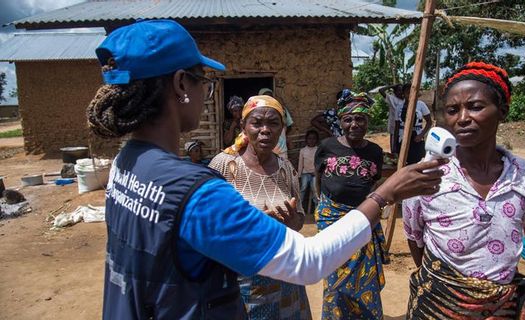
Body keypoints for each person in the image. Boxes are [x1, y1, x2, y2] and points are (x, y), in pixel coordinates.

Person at [87, 19, 446, 320]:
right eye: (203, 82)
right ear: (182, 84)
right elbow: (308, 262)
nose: (204, 93)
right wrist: (385, 194)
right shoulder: (195, 191)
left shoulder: (127, 164)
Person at [403, 62, 525, 319]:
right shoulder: (425, 173)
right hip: (441, 303)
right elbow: (416, 239)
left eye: (475, 106)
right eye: (452, 110)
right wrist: (449, 287)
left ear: (502, 111)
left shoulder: (521, 173)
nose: (462, 118)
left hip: (503, 307)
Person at [209, 95, 310, 319]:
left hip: (286, 279)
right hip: (241, 281)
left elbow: (300, 218)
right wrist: (250, 227)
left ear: (282, 129)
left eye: (273, 123)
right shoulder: (223, 166)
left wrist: (293, 223)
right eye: (257, 123)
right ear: (244, 126)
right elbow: (207, 224)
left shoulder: (286, 168)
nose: (265, 130)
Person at [314, 91, 387, 319]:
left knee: (365, 278)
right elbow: (319, 179)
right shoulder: (326, 146)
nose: (354, 124)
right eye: (348, 119)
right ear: (341, 122)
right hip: (332, 220)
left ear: (368, 121)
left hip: (363, 222)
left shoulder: (375, 152)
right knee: (335, 277)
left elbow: (374, 186)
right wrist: (323, 206)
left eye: (360, 119)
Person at [394, 83, 432, 164]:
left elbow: (429, 122)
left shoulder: (421, 104)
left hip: (417, 138)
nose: (409, 94)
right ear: (403, 94)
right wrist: (395, 144)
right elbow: (397, 126)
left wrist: (421, 135)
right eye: (407, 92)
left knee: (418, 163)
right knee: (404, 163)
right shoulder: (399, 107)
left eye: (411, 92)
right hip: (402, 138)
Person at [258, 88, 293, 159]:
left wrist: (283, 134)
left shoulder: (281, 109)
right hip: (265, 149)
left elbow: (289, 125)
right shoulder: (258, 111)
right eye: (266, 97)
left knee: (282, 168)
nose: (269, 99)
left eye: (270, 96)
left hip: (281, 149)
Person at [378, 84, 405, 154]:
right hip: (394, 126)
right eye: (399, 90)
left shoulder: (406, 100)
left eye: (402, 90)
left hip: (404, 126)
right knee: (394, 146)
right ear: (395, 92)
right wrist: (391, 86)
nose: (401, 92)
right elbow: (381, 90)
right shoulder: (391, 98)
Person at [298, 129, 319, 213]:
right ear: (306, 140)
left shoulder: (318, 149)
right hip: (305, 173)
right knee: (303, 188)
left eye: (314, 139)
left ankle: (317, 211)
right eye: (309, 138)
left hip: (315, 174)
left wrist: (317, 173)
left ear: (317, 140)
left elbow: (319, 163)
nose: (311, 140)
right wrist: (299, 176)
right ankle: (299, 209)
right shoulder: (303, 150)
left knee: (315, 191)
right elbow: (300, 164)